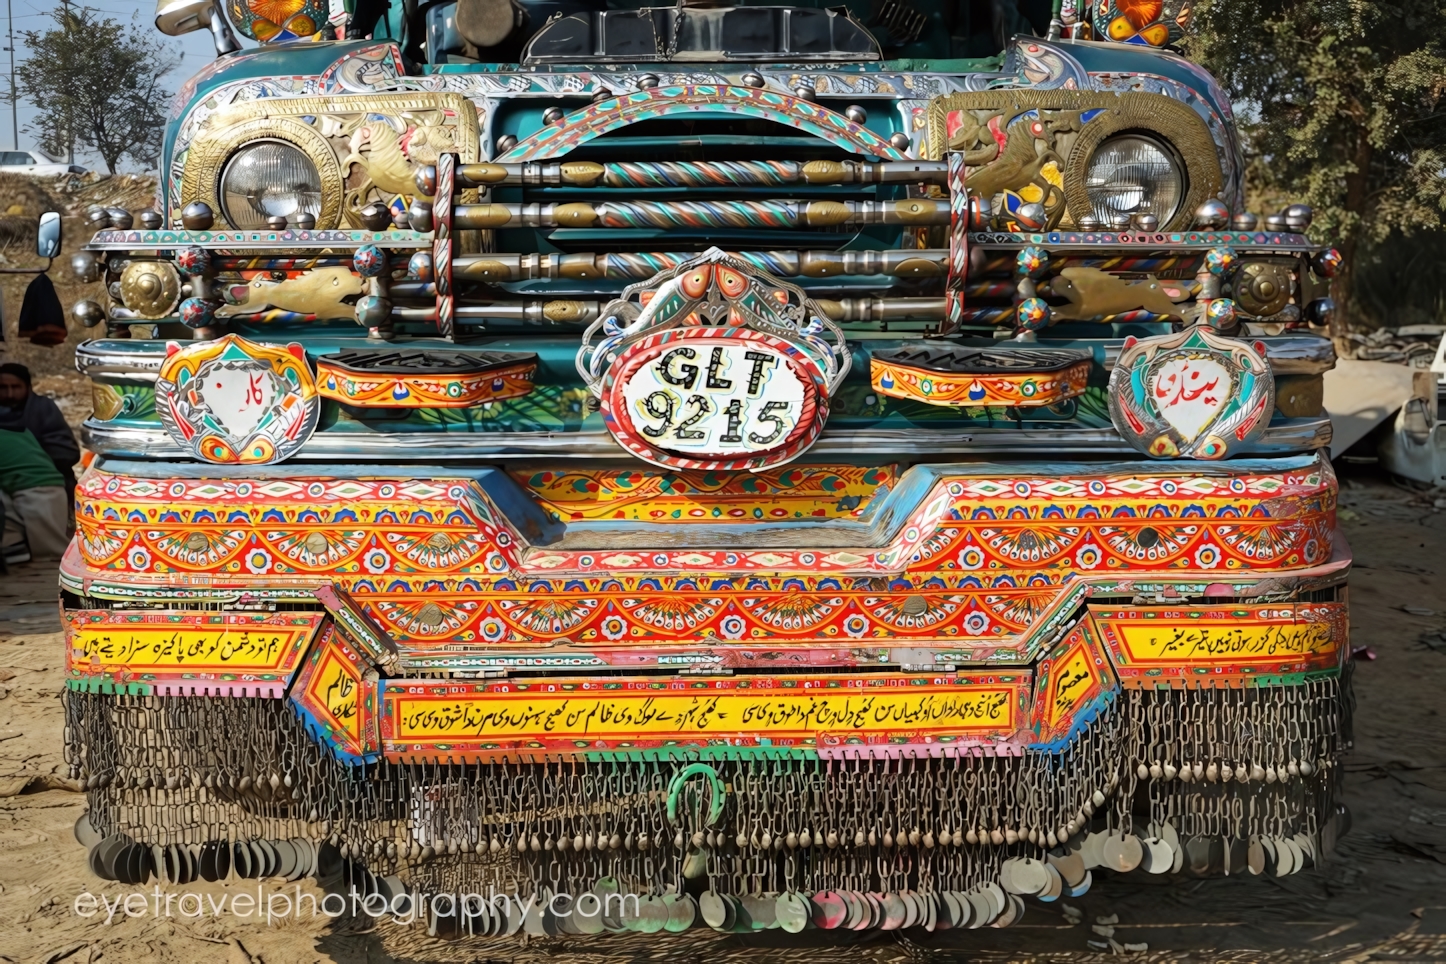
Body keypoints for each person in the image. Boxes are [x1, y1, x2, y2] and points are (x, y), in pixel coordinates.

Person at [0, 362, 79, 497]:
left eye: (16, 387)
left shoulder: (42, 408)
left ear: (29, 388)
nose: (10, 394)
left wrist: (24, 457)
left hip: (45, 487)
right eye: (3, 388)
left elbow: (67, 452)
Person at [0, 424, 69, 563]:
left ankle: (11, 542)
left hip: (31, 497)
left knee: (50, 554)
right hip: (57, 492)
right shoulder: (18, 432)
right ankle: (14, 544)